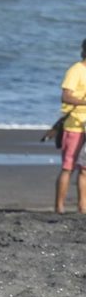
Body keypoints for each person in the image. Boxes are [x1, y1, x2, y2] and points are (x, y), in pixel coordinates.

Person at [54, 39, 86, 213]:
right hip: (73, 125)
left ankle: (83, 207)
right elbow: (65, 97)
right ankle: (59, 207)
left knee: (85, 169)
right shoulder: (76, 70)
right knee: (68, 167)